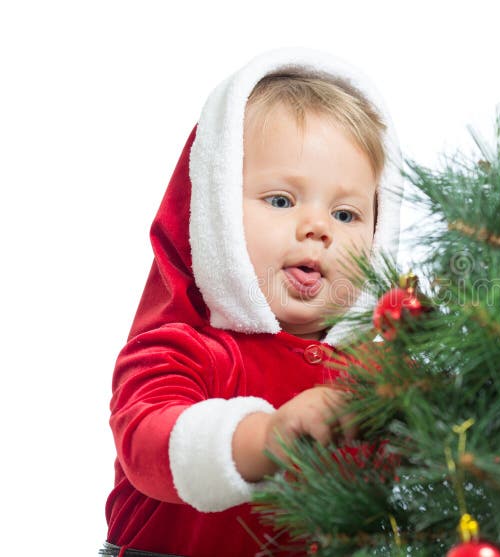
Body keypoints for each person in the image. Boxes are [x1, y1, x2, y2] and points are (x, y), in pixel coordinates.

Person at [102, 49, 402, 557]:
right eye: (282, 200)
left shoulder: (384, 375)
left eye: (347, 214)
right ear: (214, 214)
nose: (318, 228)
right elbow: (147, 442)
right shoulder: (184, 349)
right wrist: (264, 438)